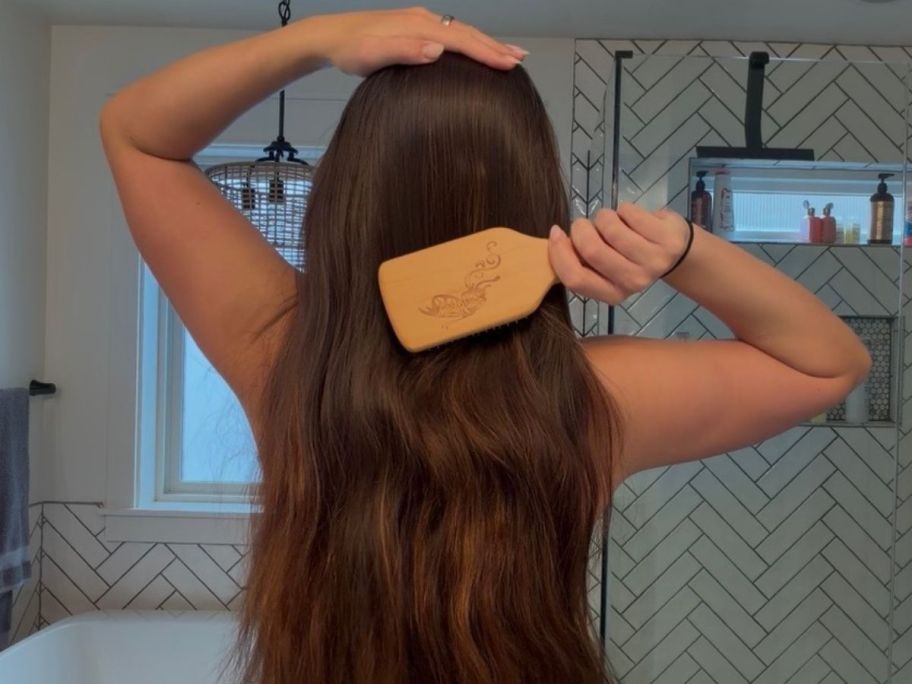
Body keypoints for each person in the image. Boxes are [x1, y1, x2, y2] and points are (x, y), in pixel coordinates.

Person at [98, 7, 872, 684]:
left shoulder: (285, 360)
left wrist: (321, 39)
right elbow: (831, 361)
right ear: (536, 196)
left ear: (346, 199)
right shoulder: (591, 401)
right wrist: (680, 251)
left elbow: (137, 136)